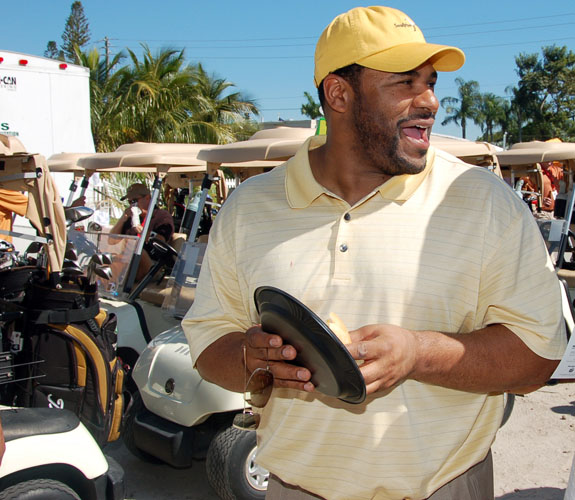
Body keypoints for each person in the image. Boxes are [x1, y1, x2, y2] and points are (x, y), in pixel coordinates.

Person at [182, 6, 566, 500]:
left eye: (430, 82)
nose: (428, 101)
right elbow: (209, 345)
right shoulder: (249, 209)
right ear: (338, 94)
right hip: (290, 489)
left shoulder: (483, 201)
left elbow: (537, 358)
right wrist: (251, 357)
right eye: (404, 82)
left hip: (447, 488)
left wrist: (417, 353)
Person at [110, 183, 174, 281]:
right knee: (108, 258)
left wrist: (141, 230)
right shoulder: (130, 218)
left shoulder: (162, 216)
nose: (132, 205)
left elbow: (161, 240)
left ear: (147, 198)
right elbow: (111, 240)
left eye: (135, 201)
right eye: (130, 202)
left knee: (137, 249)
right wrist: (123, 219)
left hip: (153, 263)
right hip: (129, 260)